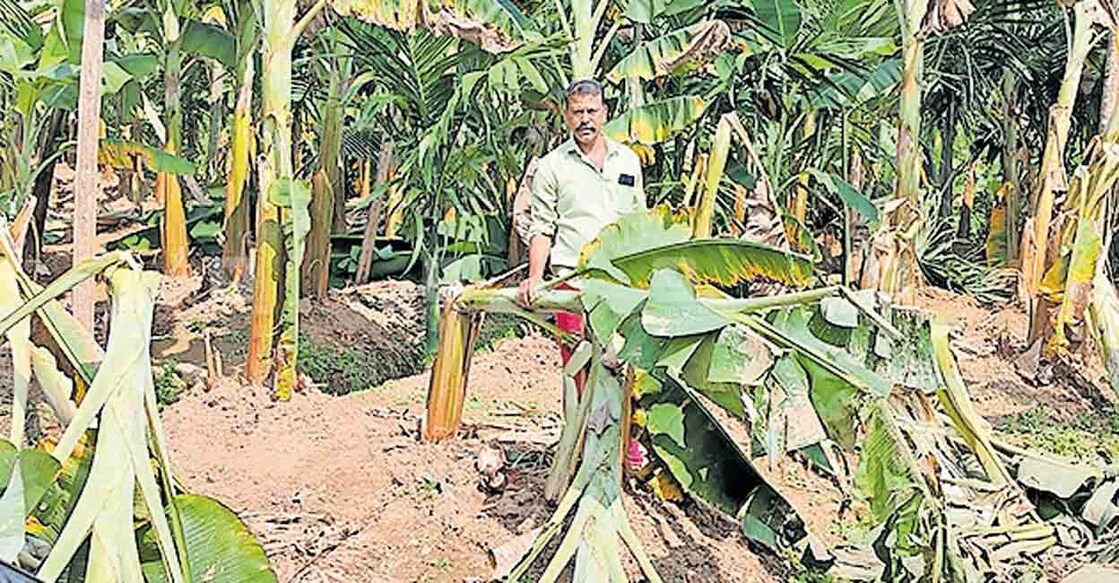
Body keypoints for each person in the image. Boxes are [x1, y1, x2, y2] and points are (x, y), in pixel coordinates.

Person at [516, 78, 646, 386]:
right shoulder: (552, 166)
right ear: (565, 115)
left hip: (620, 283)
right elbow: (542, 227)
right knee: (578, 372)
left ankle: (625, 436)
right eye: (577, 112)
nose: (584, 119)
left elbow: (639, 222)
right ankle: (579, 435)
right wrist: (535, 277)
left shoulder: (627, 160)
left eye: (591, 111)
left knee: (626, 372)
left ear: (604, 112)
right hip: (571, 282)